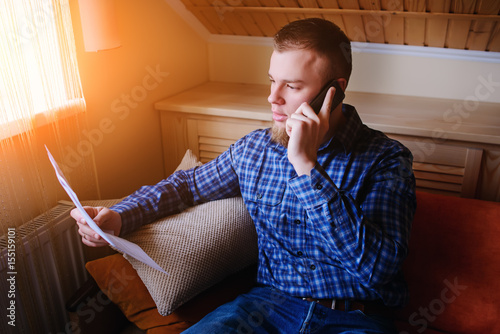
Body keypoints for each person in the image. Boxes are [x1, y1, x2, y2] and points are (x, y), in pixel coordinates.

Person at [72, 18, 416, 333]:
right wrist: (120, 215)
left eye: (292, 87)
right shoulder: (254, 150)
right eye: (272, 81)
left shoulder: (386, 160)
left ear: (334, 91)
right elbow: (186, 187)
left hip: (357, 317)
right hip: (267, 308)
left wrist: (306, 168)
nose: (272, 97)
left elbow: (378, 268)